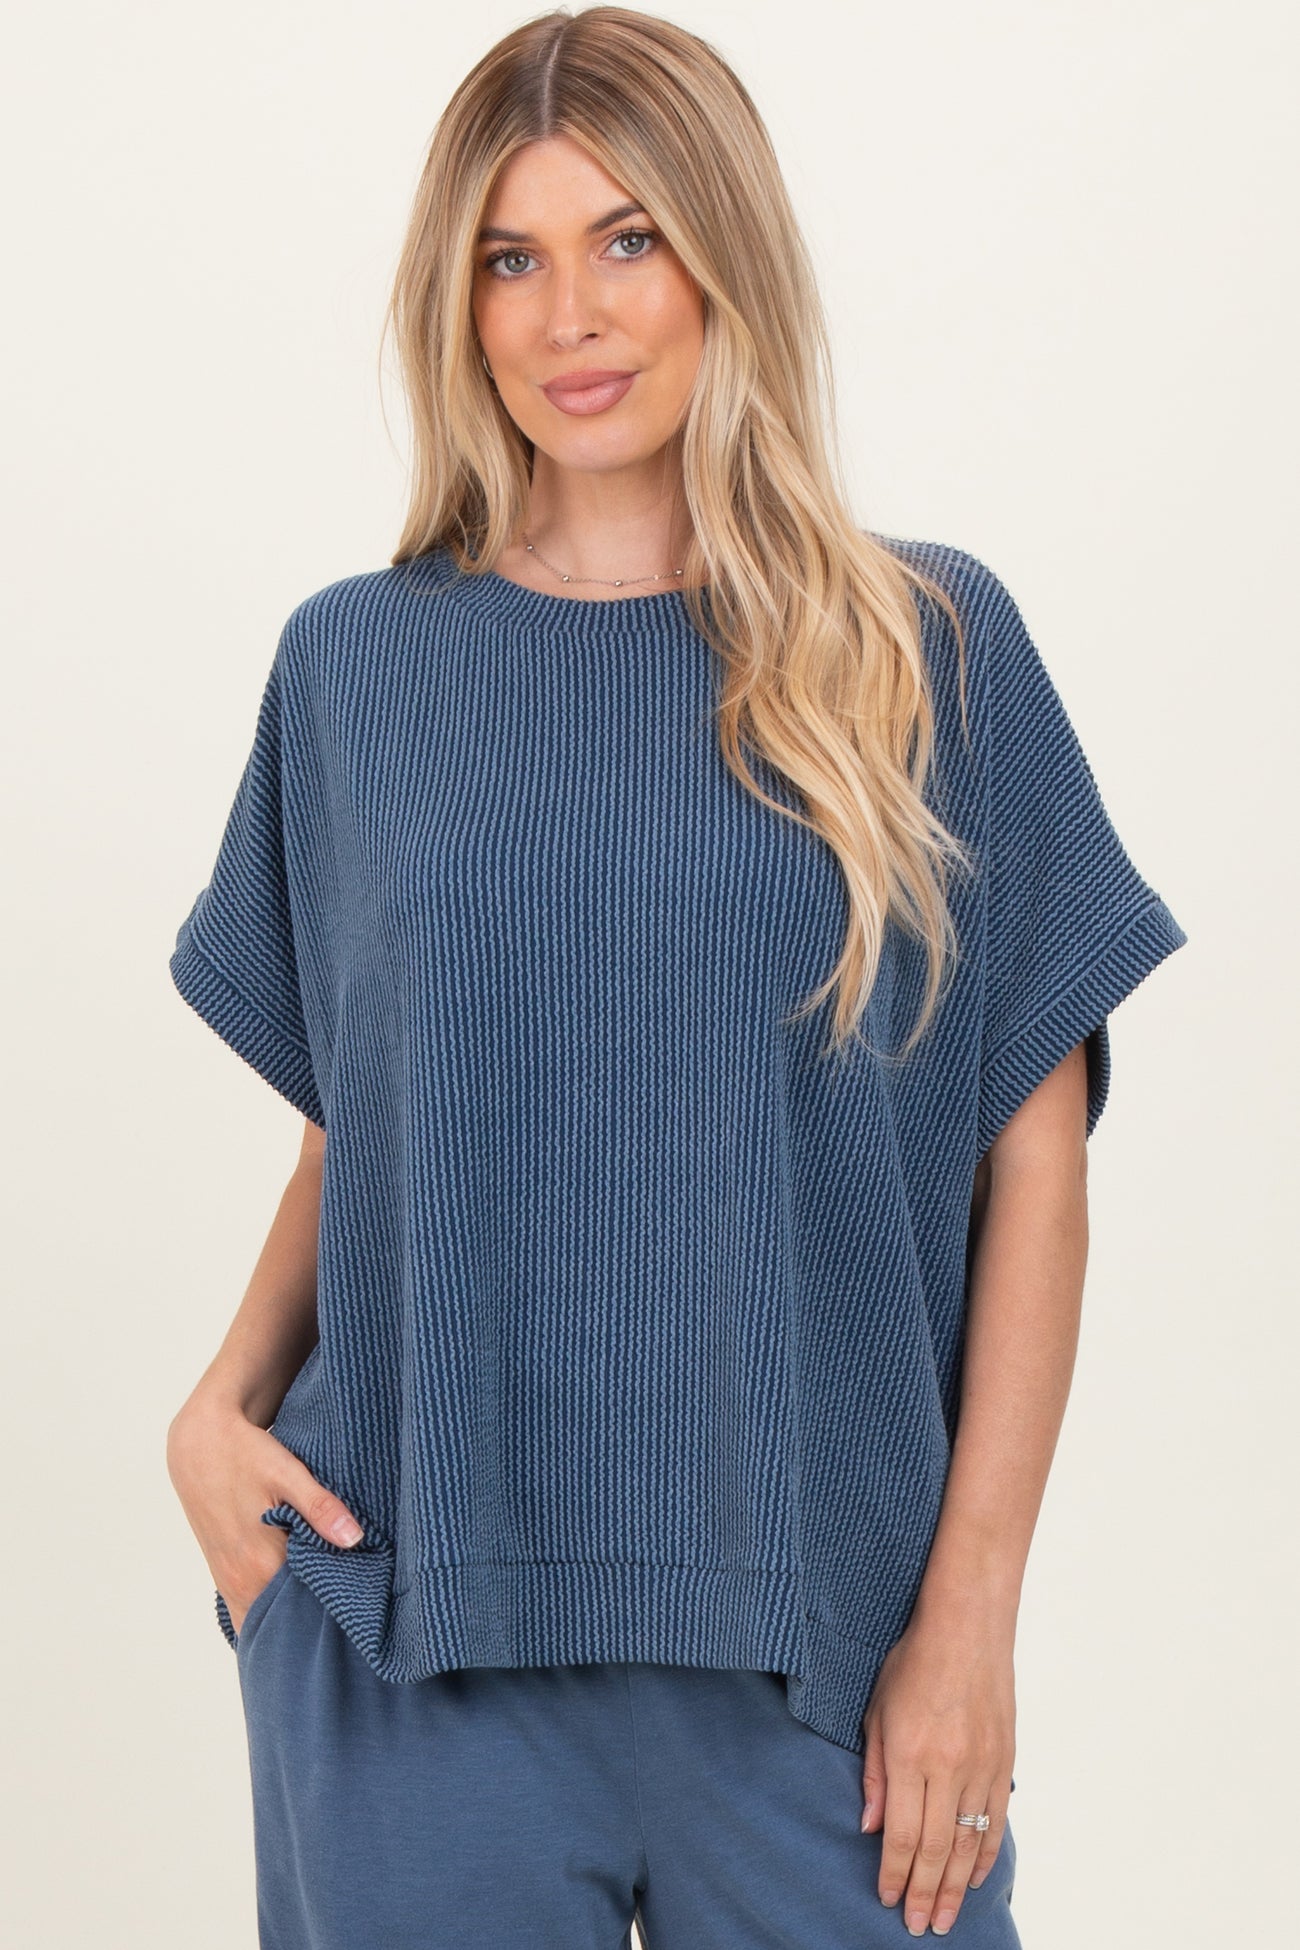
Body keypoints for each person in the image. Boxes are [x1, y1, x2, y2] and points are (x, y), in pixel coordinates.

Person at [164, 8, 1188, 1947]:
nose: (570, 313)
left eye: (627, 239)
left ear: (727, 258)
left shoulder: (928, 648)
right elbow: (362, 1121)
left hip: (822, 1661)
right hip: (414, 1639)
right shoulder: (357, 668)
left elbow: (1034, 1159)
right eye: (510, 257)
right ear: (457, 302)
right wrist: (214, 1413)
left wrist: (968, 1620)